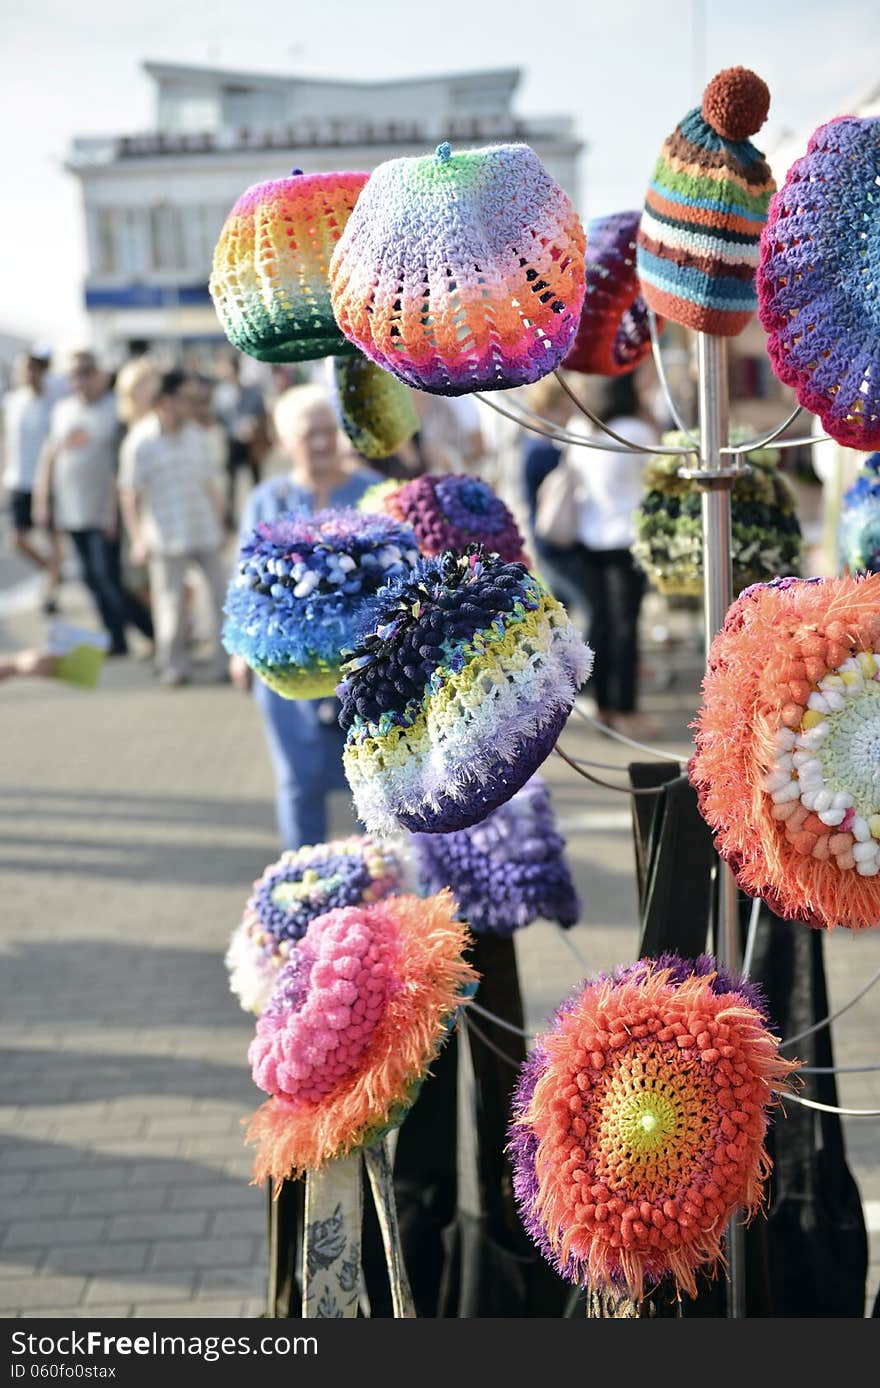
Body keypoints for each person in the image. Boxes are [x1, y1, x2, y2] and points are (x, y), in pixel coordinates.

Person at [229, 383, 381, 849]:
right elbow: (244, 581)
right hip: (285, 666)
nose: (319, 442)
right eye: (307, 433)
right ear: (284, 443)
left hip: (363, 666)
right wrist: (238, 650)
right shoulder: (266, 499)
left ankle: (377, 878)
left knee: (372, 780)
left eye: (327, 430)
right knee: (297, 778)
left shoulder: (373, 492)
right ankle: (308, 881)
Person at [33, 350, 153, 656]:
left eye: (87, 372)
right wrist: (42, 498)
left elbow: (119, 470)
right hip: (72, 510)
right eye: (75, 374)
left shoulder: (113, 411)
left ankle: (150, 630)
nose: (81, 380)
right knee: (89, 577)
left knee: (110, 578)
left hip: (103, 511)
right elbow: (50, 456)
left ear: (100, 374)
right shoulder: (62, 410)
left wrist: (112, 514)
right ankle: (115, 638)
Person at [119, 370, 227, 687]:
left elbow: (212, 483)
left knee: (219, 598)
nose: (191, 404)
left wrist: (221, 524)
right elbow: (129, 494)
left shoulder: (198, 435)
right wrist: (137, 539)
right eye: (185, 398)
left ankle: (224, 662)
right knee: (170, 605)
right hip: (164, 535)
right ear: (166, 401)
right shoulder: (140, 441)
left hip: (203, 527)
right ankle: (173, 665)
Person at [564, 371, 658, 736]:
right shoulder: (635, 433)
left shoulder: (579, 429)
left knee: (600, 624)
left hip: (587, 537)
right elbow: (656, 475)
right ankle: (626, 708)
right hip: (625, 538)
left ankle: (603, 704)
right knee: (625, 627)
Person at [520, 375, 590, 627]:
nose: (568, 416)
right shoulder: (543, 451)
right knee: (586, 605)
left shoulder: (533, 444)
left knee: (558, 614)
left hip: (546, 540)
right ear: (545, 409)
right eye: (562, 409)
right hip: (553, 540)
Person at [2, 347, 64, 613]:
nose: (26, 374)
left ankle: (50, 593)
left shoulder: (54, 401)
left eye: (31, 369)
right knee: (17, 539)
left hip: (47, 482)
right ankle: (52, 569)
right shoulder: (12, 401)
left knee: (53, 538)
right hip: (18, 479)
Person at [213, 351, 270, 527]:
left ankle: (261, 513)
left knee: (256, 478)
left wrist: (252, 426)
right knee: (231, 481)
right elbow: (219, 417)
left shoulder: (252, 390)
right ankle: (229, 518)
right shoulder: (221, 393)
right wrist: (235, 429)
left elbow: (261, 412)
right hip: (233, 442)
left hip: (252, 443)